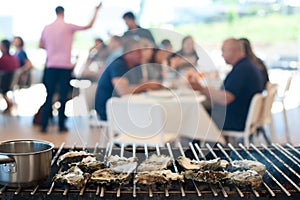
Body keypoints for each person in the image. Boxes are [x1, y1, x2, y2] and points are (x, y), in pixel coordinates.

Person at [39, 3, 101, 133]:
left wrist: (52, 50)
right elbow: (88, 26)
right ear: (63, 13)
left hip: (51, 66)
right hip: (64, 67)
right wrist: (96, 10)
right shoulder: (68, 27)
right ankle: (61, 125)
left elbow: (41, 45)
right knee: (63, 96)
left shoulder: (47, 28)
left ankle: (43, 125)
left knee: (49, 95)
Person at [187, 38, 264, 133]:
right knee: (202, 110)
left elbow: (226, 98)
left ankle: (198, 147)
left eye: (223, 50)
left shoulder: (242, 70)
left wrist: (201, 88)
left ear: (233, 51)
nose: (221, 55)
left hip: (236, 120)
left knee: (195, 116)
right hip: (246, 116)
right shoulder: (247, 65)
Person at [95, 37, 162, 121]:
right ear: (127, 53)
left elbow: (138, 85)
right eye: (138, 51)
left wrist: (145, 85)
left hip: (125, 106)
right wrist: (146, 85)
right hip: (109, 111)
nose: (141, 54)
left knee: (155, 113)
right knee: (152, 115)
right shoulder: (118, 64)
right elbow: (123, 91)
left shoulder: (134, 65)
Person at [0, 39, 20, 113]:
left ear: (4, 47)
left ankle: (10, 104)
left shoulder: (3, 59)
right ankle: (10, 104)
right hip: (12, 83)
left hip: (4, 84)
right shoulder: (15, 58)